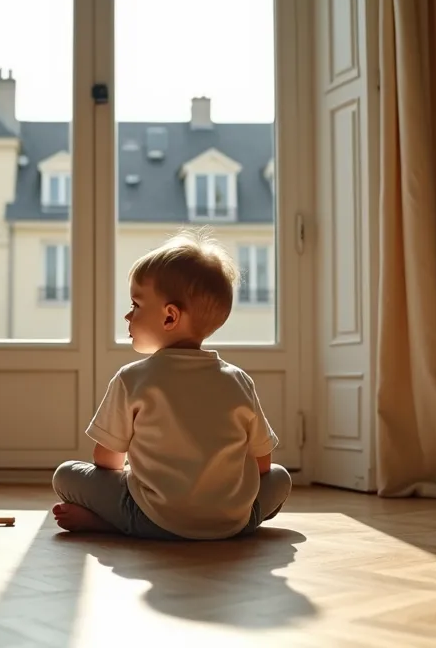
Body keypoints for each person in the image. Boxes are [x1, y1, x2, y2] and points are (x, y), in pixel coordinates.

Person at [50, 228, 292, 539]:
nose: (127, 315)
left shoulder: (131, 378)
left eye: (136, 305)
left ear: (169, 317)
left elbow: (105, 460)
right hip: (230, 522)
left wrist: (138, 476)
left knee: (66, 476)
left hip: (152, 517)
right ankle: (232, 521)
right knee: (280, 478)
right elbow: (263, 464)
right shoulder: (239, 381)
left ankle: (113, 522)